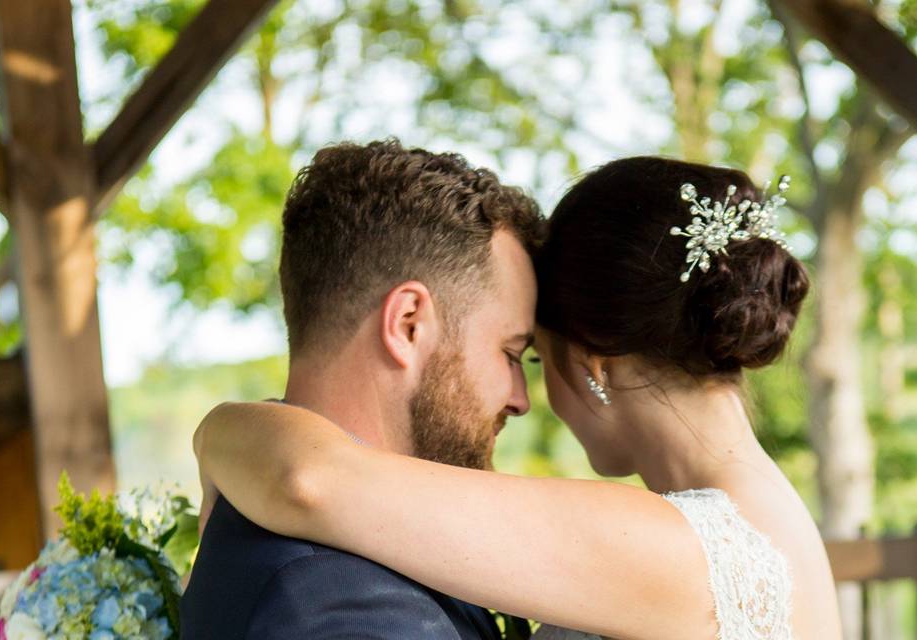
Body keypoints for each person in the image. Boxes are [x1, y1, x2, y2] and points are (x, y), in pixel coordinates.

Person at [195, 156, 846, 639]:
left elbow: (308, 479)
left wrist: (219, 430)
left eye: (530, 356)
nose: (525, 395)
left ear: (592, 362)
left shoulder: (677, 543)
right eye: (515, 355)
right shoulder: (760, 521)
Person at [180, 139, 546, 639]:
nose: (520, 398)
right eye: (509, 353)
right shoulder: (340, 605)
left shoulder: (300, 529)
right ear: (408, 324)